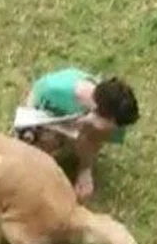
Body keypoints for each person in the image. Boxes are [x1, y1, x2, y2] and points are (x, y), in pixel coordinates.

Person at [22, 66, 139, 201]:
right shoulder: (56, 89)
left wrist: (87, 125)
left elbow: (100, 133)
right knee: (40, 143)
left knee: (95, 131)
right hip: (47, 113)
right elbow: (34, 98)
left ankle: (84, 168)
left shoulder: (115, 114)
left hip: (80, 120)